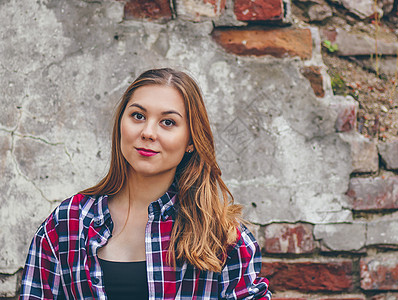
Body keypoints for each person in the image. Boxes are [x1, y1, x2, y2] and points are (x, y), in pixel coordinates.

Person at [20, 68, 271, 299]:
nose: (148, 132)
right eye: (138, 116)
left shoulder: (221, 237)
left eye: (168, 122)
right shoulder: (68, 223)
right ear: (121, 124)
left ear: (191, 141)